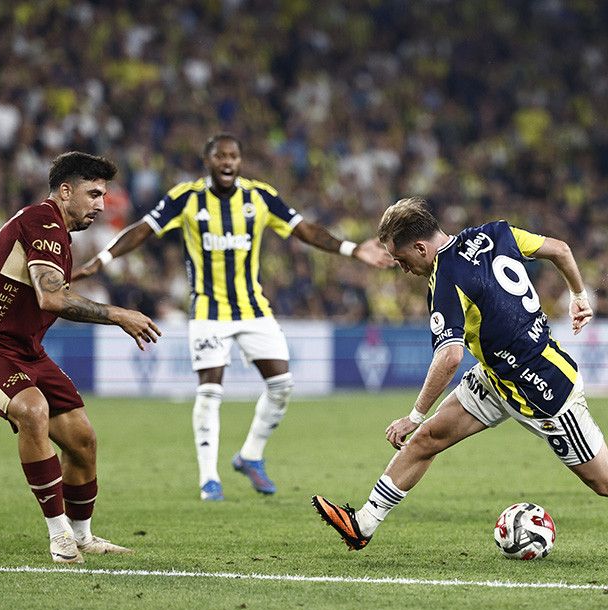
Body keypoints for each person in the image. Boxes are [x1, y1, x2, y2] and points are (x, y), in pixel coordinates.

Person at [311, 197, 608, 551]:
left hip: (542, 387)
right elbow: (560, 249)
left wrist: (414, 414)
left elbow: (449, 357)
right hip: (498, 377)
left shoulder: (446, 279)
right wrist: (578, 294)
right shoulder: (494, 233)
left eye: (401, 259)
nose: (402, 268)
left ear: (421, 248)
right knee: (428, 441)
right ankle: (362, 524)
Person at [74, 134, 393, 501]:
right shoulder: (186, 198)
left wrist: (352, 249)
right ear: (208, 160)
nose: (227, 161)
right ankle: (209, 480)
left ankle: (250, 455)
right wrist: (102, 260)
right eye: (220, 156)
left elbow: (304, 229)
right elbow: (143, 230)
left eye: (234, 156)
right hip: (208, 312)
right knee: (210, 392)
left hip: (253, 309)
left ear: (240, 161)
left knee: (282, 385)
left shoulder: (260, 197)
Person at [0, 151, 162, 564]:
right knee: (32, 409)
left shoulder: (56, 233)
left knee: (82, 439)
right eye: (93, 194)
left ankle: (82, 535)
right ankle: (60, 536)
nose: (101, 205)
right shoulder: (42, 222)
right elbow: (51, 298)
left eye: (103, 196)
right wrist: (119, 314)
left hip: (25, 351)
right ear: (65, 191)